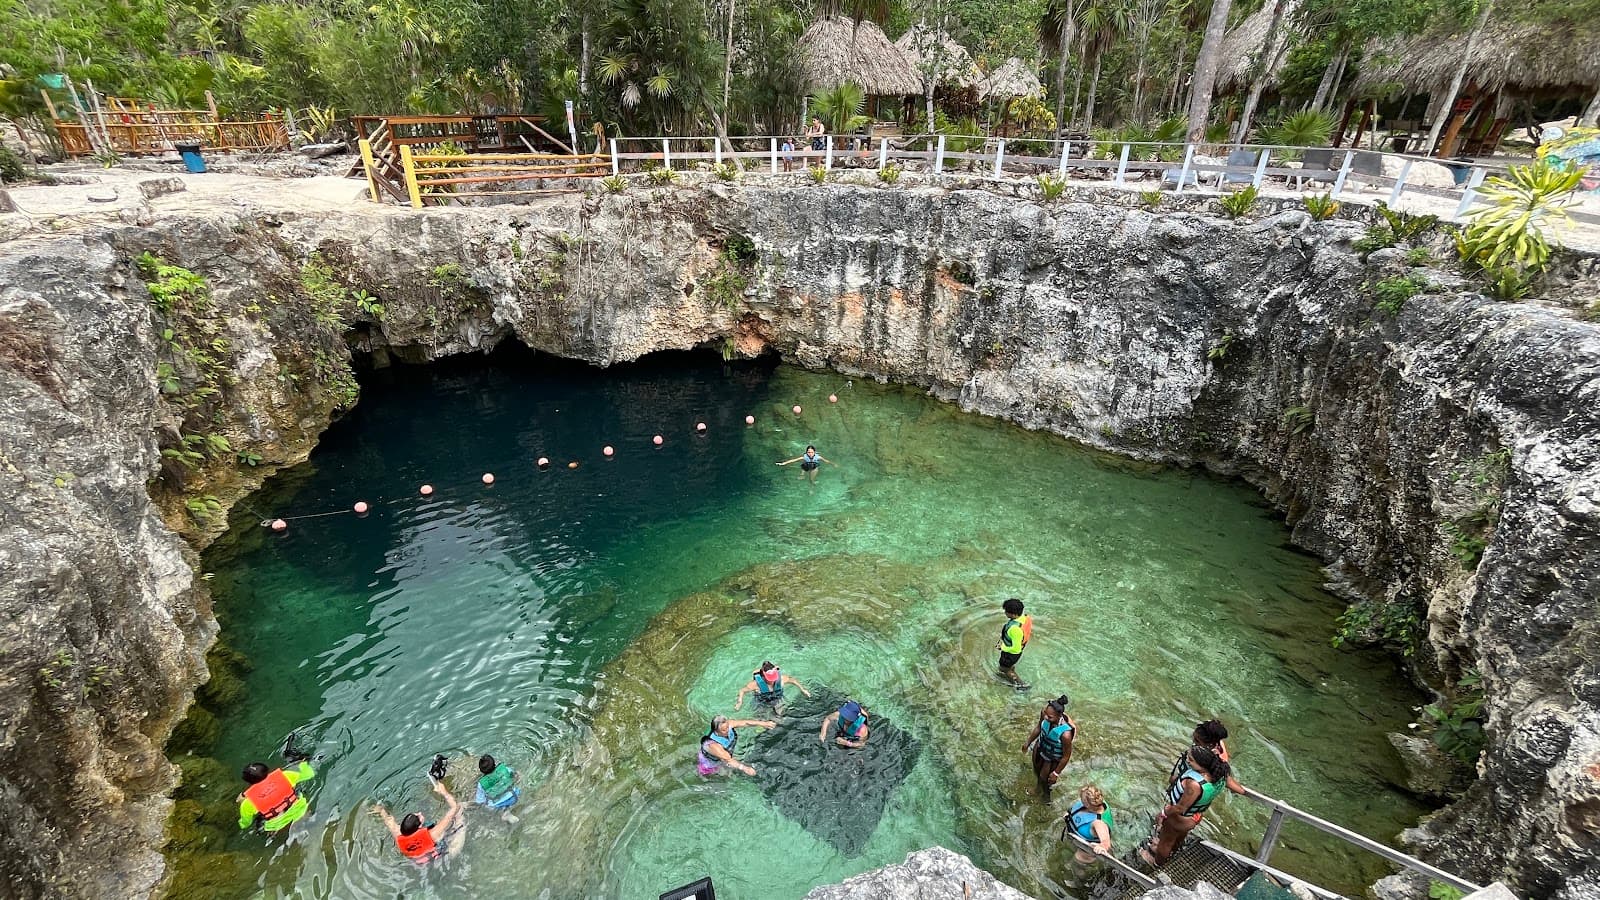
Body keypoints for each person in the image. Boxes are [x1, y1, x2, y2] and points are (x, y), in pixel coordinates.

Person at [1141, 746, 1230, 867]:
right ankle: (1173, 850)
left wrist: (1164, 813)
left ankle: (1157, 862)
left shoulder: (1194, 784)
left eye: (1191, 759)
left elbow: (1180, 808)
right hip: (1194, 816)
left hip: (1179, 819)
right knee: (1178, 837)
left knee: (1166, 842)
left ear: (1202, 764)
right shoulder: (1217, 777)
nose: (1187, 760)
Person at [372, 776, 467, 866]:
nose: (420, 813)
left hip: (417, 862)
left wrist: (380, 809)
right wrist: (444, 792)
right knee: (459, 812)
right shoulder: (433, 834)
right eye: (418, 816)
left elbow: (389, 821)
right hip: (441, 855)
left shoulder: (397, 835)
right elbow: (454, 808)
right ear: (419, 827)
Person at [236, 734, 315, 833]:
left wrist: (241, 804)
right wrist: (302, 762)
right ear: (267, 770)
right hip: (301, 810)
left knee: (260, 823)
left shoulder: (248, 803)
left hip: (277, 825)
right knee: (297, 792)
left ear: (248, 781)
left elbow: (246, 824)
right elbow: (309, 774)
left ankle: (274, 833)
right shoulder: (286, 776)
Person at [1171, 719, 1246, 795]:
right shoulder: (1214, 741)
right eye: (1194, 738)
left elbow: (1227, 780)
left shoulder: (1214, 762)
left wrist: (1241, 791)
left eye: (1197, 741)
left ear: (1210, 745)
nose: (1194, 742)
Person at [1023, 694, 1075, 794]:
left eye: (1050, 717)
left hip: (1052, 757)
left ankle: (1045, 796)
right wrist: (1028, 742)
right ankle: (1038, 788)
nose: (1046, 717)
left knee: (1045, 779)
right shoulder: (1044, 713)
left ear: (1059, 716)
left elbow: (1066, 756)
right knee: (1036, 769)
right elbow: (1039, 727)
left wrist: (1056, 773)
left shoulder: (1065, 734)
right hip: (1040, 747)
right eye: (1046, 714)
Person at [697, 714, 776, 776]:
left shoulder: (728, 725)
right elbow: (729, 760)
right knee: (722, 777)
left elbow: (745, 723)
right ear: (716, 731)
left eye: (727, 727)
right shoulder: (714, 745)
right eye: (724, 730)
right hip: (710, 765)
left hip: (723, 756)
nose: (727, 731)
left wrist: (763, 723)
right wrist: (745, 768)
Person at [735, 660, 813, 713]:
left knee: (779, 715)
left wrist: (803, 689)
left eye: (773, 678)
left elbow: (793, 680)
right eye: (769, 679)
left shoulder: (782, 678)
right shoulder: (755, 684)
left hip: (777, 698)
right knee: (761, 717)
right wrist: (740, 702)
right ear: (763, 677)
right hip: (761, 700)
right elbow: (742, 690)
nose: (772, 681)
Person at [1066, 785, 1114, 863]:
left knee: (1078, 858)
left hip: (1086, 850)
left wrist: (1102, 847)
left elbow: (1106, 842)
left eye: (1081, 799)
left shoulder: (1099, 823)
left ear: (1087, 804)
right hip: (1074, 834)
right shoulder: (1097, 801)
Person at [996, 597, 1032, 689]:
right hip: (1015, 653)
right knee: (1008, 667)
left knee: (1004, 668)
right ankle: (1011, 669)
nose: (1005, 613)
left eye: (1006, 611)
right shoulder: (1024, 618)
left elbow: (1016, 649)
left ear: (1013, 614)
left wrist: (1002, 647)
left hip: (1011, 654)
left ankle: (1021, 685)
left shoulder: (1015, 629)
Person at [474, 754, 520, 818]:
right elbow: (515, 776)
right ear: (494, 763)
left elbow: (480, 801)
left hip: (497, 806)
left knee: (487, 805)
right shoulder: (505, 769)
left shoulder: (481, 784)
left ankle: (505, 813)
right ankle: (508, 812)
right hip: (514, 796)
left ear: (481, 770)